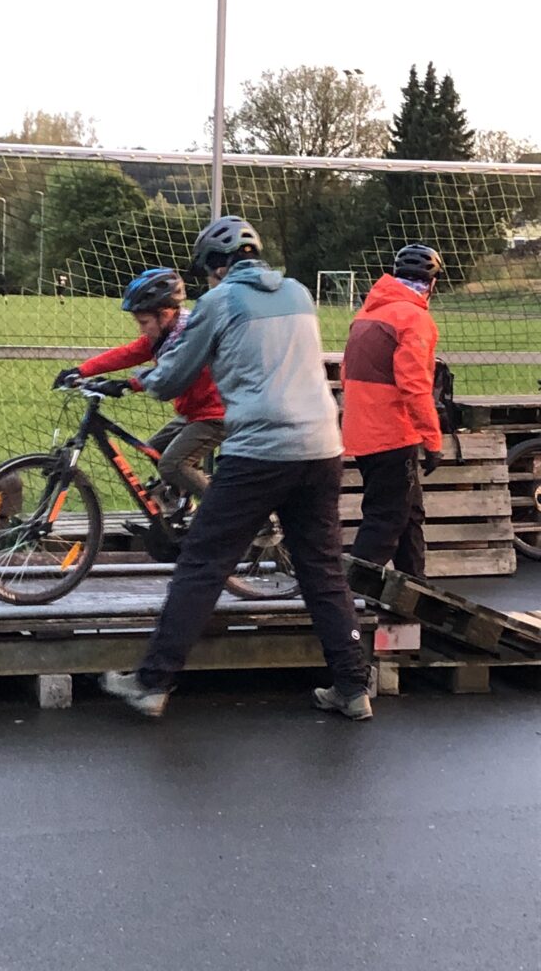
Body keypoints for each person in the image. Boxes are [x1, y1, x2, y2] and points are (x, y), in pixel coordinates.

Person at [100, 217, 371, 721]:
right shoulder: (299, 293)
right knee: (323, 571)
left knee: (203, 564)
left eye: (206, 271)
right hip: (321, 447)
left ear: (216, 266)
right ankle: (354, 688)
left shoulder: (219, 301)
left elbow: (173, 376)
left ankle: (152, 683)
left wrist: (139, 381)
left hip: (260, 450)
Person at [53, 268, 226, 505]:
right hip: (194, 414)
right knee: (154, 448)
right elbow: (129, 353)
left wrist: (129, 384)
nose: (141, 329)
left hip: (216, 416)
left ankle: (223, 511)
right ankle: (182, 504)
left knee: (173, 465)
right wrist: (81, 370)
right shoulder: (164, 335)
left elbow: (171, 375)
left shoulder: (190, 336)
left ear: (165, 314)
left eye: (144, 322)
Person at [341, 243, 443, 580]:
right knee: (385, 521)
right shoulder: (414, 318)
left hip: (362, 431)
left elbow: (345, 372)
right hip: (392, 434)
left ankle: (416, 591)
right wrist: (432, 441)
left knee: (409, 515)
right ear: (431, 283)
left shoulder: (368, 313)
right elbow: (415, 385)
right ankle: (347, 594)